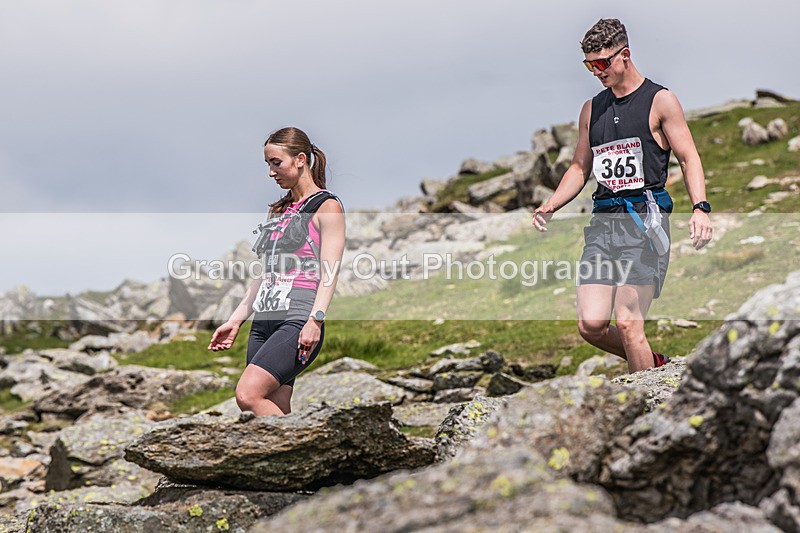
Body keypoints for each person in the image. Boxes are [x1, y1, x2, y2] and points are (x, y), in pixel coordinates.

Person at [532, 18, 712, 373]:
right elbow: (580, 168)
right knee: (591, 326)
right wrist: (551, 204)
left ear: (625, 55)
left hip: (644, 221)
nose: (596, 72)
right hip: (603, 224)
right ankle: (655, 367)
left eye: (602, 63)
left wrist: (700, 208)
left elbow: (689, 157)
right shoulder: (591, 109)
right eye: (589, 65)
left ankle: (646, 412)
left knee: (630, 324)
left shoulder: (660, 101)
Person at [208, 127, 346, 415]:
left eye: (276, 162)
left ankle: (310, 455)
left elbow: (329, 271)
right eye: (268, 164)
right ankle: (296, 459)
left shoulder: (327, 207)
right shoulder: (278, 211)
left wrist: (315, 321)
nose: (271, 172)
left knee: (248, 395)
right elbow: (262, 274)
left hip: (297, 318)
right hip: (264, 321)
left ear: (300, 159)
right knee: (273, 405)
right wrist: (236, 321)